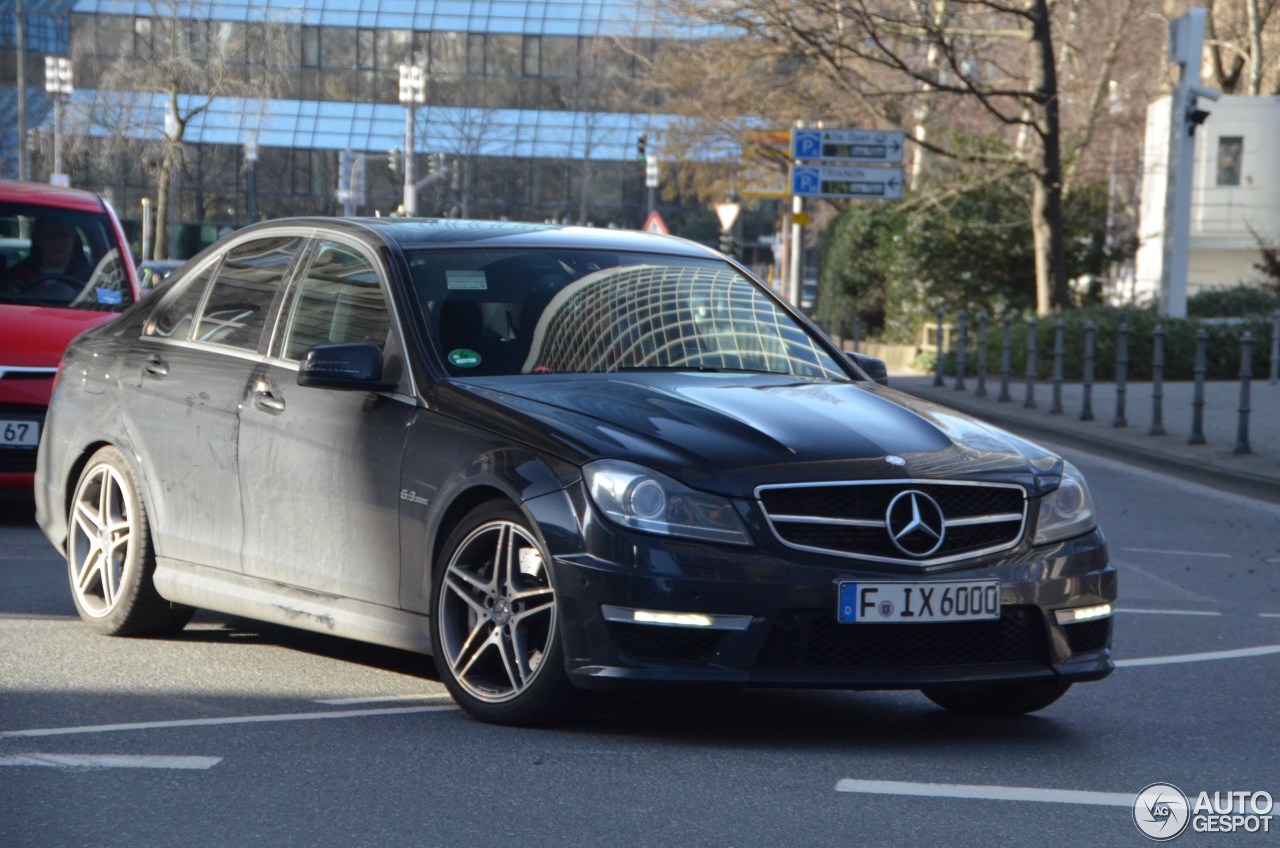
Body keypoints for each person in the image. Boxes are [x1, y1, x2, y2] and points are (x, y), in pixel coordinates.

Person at [5, 217, 92, 296]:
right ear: (39, 240)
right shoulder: (18, 276)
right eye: (51, 236)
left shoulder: (90, 278)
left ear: (73, 240)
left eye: (64, 236)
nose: (58, 242)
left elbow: (102, 304)